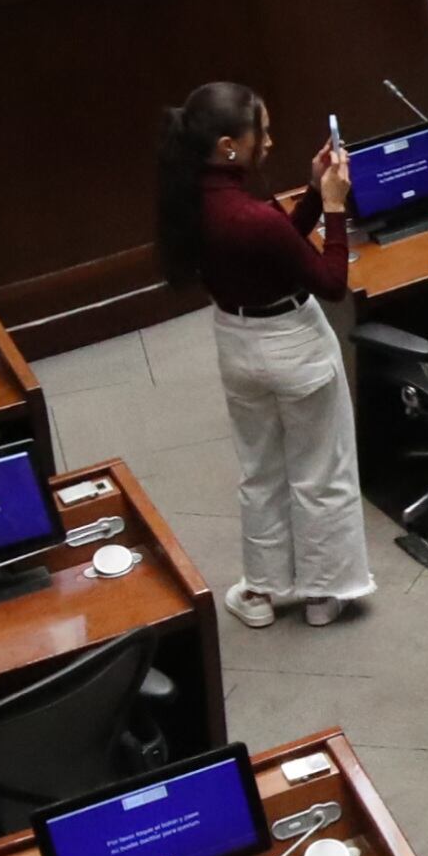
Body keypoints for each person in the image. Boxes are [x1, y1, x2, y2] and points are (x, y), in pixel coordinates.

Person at [152, 81, 371, 629]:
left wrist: (316, 195)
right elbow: (330, 279)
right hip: (295, 346)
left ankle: (263, 593)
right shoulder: (251, 214)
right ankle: (324, 595)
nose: (270, 142)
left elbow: (279, 249)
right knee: (322, 470)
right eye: (263, 133)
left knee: (261, 471)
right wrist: (338, 209)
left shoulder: (192, 201)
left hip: (237, 343)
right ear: (229, 144)